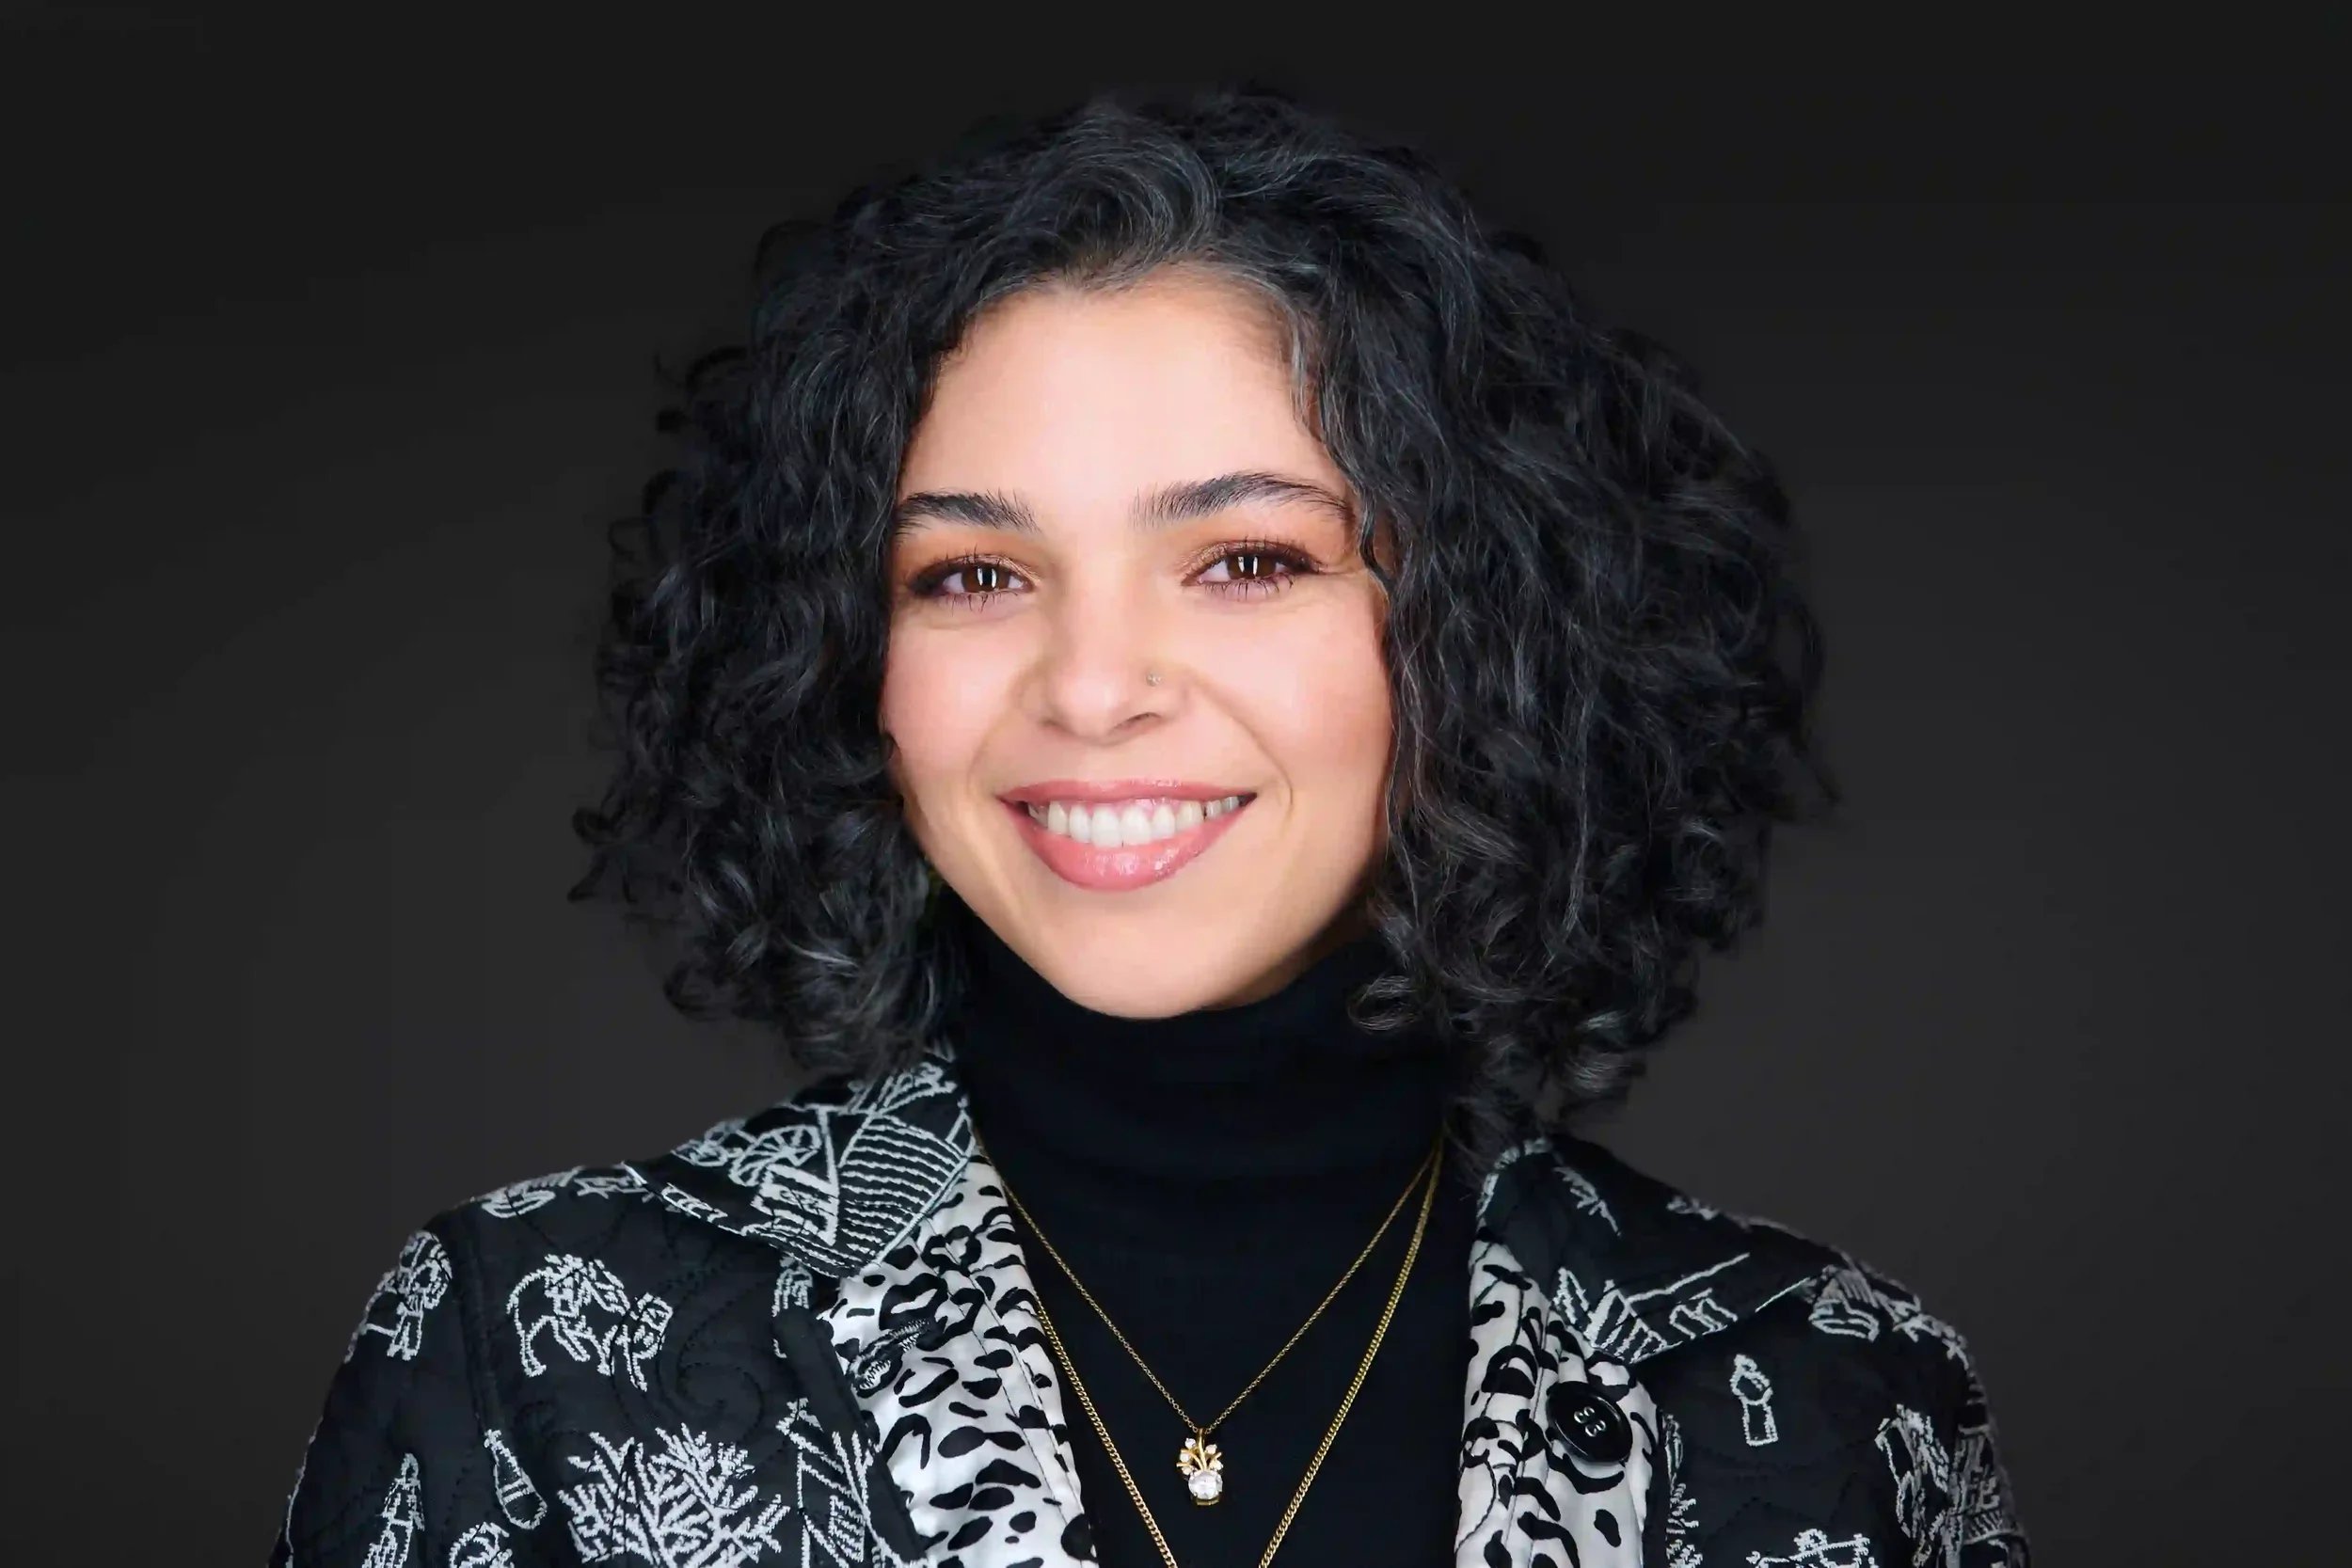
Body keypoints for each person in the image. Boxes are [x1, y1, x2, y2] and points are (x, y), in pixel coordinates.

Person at [274, 86, 2029, 1568]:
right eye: (972, 572)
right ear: (847, 665)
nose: (1093, 684)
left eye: (1247, 558)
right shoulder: (534, 1345)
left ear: (1491, 634)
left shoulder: (1830, 1393)